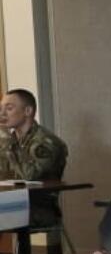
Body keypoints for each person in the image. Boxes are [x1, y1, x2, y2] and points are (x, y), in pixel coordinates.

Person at [0, 88, 69, 228]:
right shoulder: (12, 141)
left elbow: (29, 175)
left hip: (39, 208)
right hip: (10, 202)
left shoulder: (46, 142)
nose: (2, 113)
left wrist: (6, 141)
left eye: (9, 108)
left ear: (27, 111)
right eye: (1, 108)